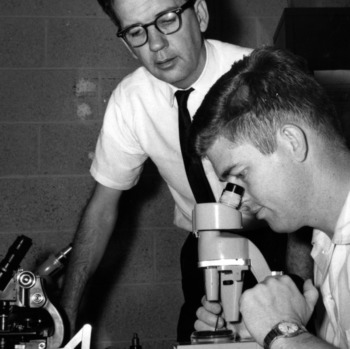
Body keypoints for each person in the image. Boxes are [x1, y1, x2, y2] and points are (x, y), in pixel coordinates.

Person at [60, 0, 312, 342]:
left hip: (276, 239)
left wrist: (297, 289)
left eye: (166, 20)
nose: (156, 44)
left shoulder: (259, 77)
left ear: (202, 15)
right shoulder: (130, 101)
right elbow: (102, 209)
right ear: (126, 44)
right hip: (203, 248)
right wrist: (65, 315)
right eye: (137, 31)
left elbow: (304, 190)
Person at [189, 46, 350, 348]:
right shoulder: (326, 244)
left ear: (291, 141)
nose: (238, 200)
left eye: (241, 175)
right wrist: (257, 331)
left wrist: (282, 331)